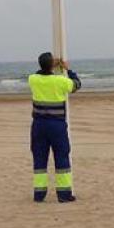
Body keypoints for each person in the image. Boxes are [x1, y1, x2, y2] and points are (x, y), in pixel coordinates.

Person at [29, 51, 81, 203]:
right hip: (56, 125)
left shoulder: (32, 79)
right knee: (62, 157)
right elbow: (76, 84)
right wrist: (68, 69)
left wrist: (50, 64)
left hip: (38, 125)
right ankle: (64, 195)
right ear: (52, 65)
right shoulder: (60, 81)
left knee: (39, 159)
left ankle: (39, 194)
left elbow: (38, 74)